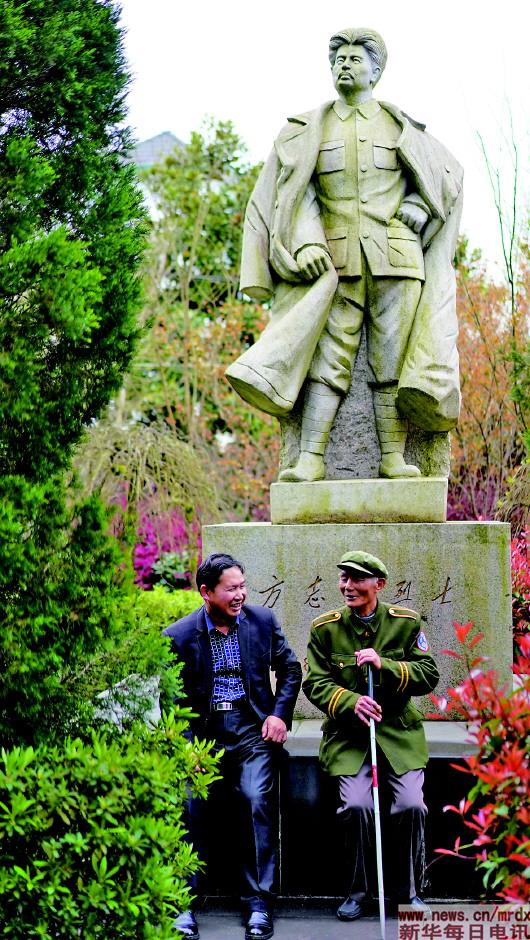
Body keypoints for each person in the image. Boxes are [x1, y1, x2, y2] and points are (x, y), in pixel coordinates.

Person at [226, 27, 463, 481]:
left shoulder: (401, 126)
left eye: (355, 59)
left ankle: (393, 458)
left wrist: (420, 204)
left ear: (376, 71)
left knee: (391, 361)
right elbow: (294, 194)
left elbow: (448, 176)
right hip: (335, 261)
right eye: (339, 59)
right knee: (328, 359)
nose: (345, 65)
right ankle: (310, 459)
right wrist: (307, 243)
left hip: (397, 259)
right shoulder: (307, 130)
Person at [164, 553, 302, 940]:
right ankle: (181, 902)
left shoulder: (262, 622)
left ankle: (259, 903)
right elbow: (170, 699)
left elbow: (290, 668)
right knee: (188, 802)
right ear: (206, 592)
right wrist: (186, 746)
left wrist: (278, 715)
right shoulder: (178, 636)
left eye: (242, 586)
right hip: (202, 733)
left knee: (256, 798)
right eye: (231, 589)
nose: (240, 595)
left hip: (251, 729)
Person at [303, 550, 440, 919]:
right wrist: (352, 702)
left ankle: (408, 892)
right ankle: (357, 892)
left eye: (357, 579)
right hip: (349, 738)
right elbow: (315, 683)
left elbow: (429, 674)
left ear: (379, 584)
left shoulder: (405, 623)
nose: (348, 586)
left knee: (411, 805)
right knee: (356, 806)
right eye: (344, 578)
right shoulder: (325, 629)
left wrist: (387, 665)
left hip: (397, 734)